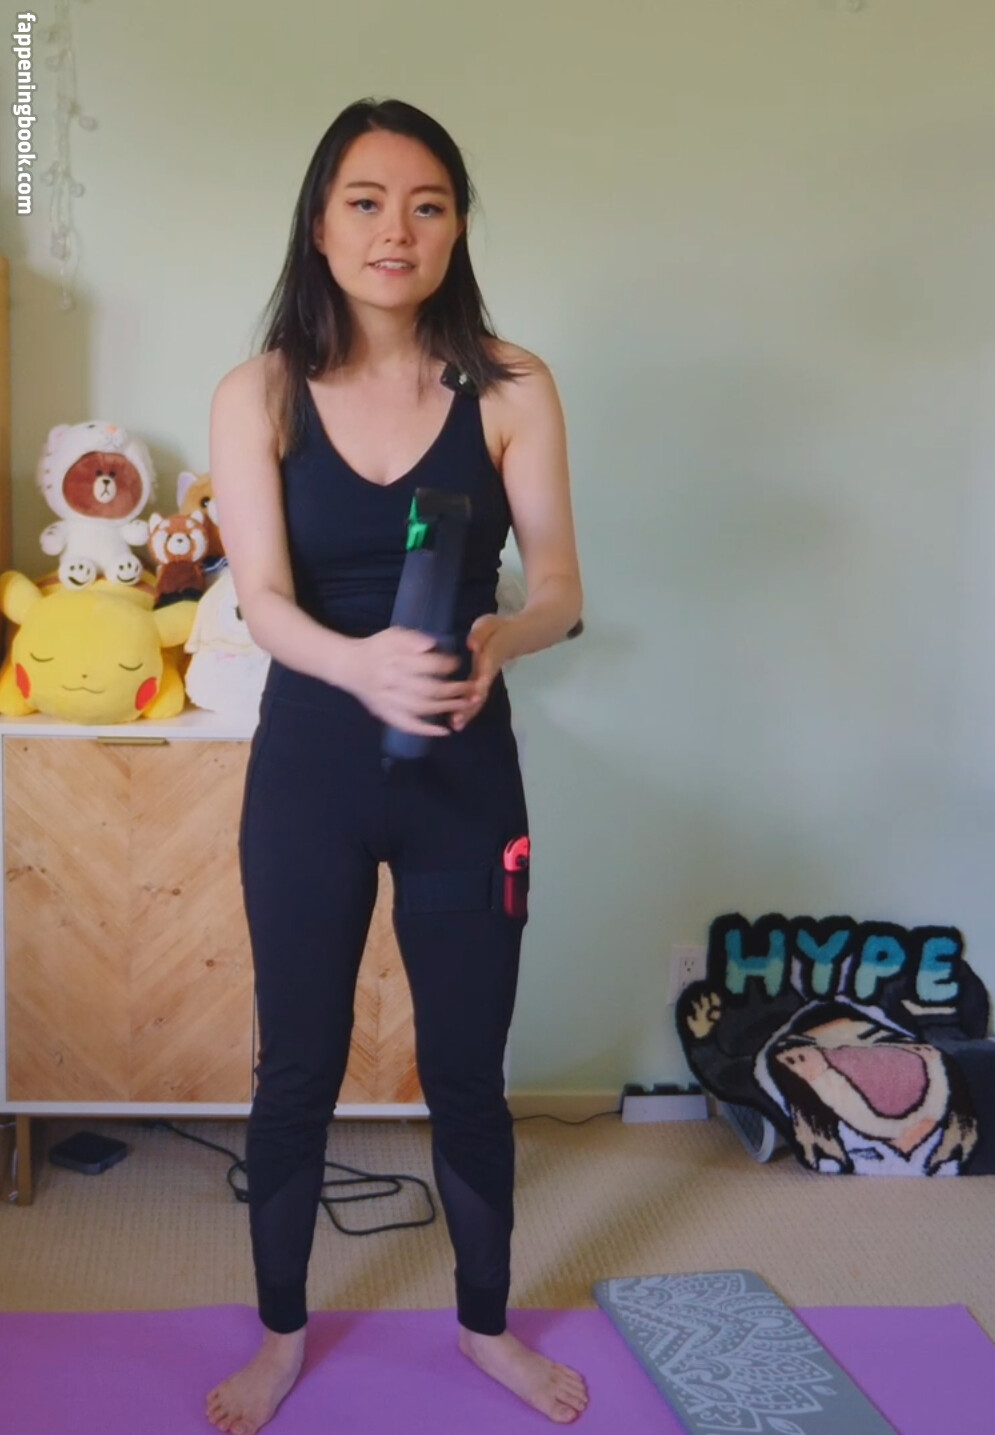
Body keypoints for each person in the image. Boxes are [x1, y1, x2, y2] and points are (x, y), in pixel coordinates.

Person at [205, 97, 585, 1435]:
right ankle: (280, 1337)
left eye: (428, 204)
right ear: (320, 223)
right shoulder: (258, 392)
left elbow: (561, 589)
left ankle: (485, 1326)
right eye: (366, 201)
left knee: (468, 1067)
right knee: (297, 1069)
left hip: (465, 779)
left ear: (457, 228)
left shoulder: (513, 385)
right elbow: (260, 598)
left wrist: (501, 637)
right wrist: (355, 664)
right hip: (311, 768)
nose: (396, 230)